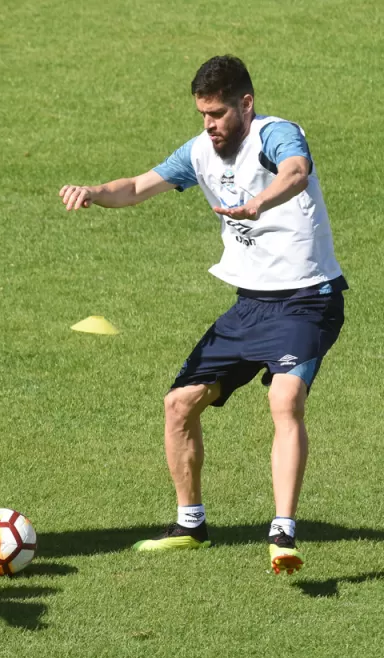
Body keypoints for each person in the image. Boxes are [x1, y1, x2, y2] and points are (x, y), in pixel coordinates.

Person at [58, 55, 345, 575]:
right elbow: (139, 186)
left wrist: (260, 202)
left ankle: (282, 533)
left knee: (285, 397)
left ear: (246, 104)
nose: (209, 125)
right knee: (178, 404)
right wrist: (94, 193)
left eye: (217, 113)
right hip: (249, 305)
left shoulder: (276, 135)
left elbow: (297, 172)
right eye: (203, 114)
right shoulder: (200, 151)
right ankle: (190, 526)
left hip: (306, 299)